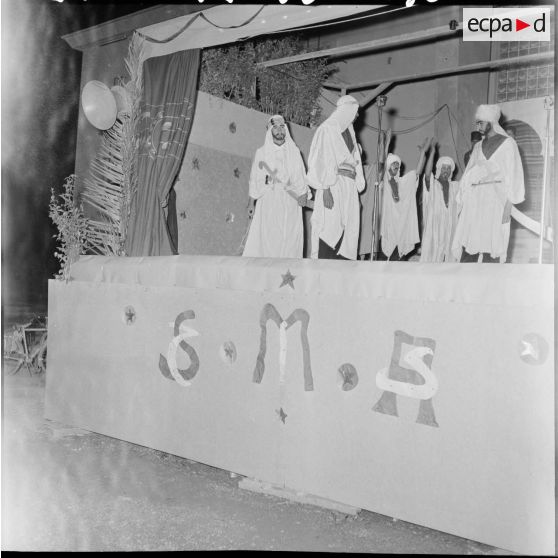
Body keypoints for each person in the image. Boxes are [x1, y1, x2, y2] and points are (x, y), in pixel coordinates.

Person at [452, 104, 525, 263]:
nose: (477, 126)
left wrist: (508, 205)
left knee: (492, 245)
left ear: (491, 121)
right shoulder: (478, 146)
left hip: (495, 201)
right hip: (476, 200)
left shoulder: (508, 144)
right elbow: (468, 174)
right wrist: (462, 201)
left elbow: (515, 175)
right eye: (477, 122)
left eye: (480, 122)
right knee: (470, 240)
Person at [306, 95, 365, 260]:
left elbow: (356, 163)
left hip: (349, 186)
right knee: (330, 227)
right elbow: (320, 159)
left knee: (349, 229)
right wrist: (325, 189)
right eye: (355, 112)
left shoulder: (350, 132)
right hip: (333, 184)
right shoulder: (327, 129)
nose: (358, 116)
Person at [242, 115, 310, 258]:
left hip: (290, 200)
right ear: (270, 131)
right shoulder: (261, 152)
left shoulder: (294, 151)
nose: (279, 130)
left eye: (282, 127)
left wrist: (303, 193)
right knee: (269, 238)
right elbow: (255, 178)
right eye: (276, 128)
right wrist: (251, 203)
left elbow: (301, 175)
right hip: (269, 200)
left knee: (289, 238)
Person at [379, 139, 430, 261]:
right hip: (388, 229)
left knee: (399, 263)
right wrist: (386, 146)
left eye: (398, 164)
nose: (396, 165)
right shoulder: (385, 182)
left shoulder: (403, 183)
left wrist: (423, 154)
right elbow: (382, 164)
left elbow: (417, 173)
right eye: (393, 163)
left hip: (401, 229)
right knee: (383, 263)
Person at [420, 152, 460, 263]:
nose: (446, 171)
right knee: (432, 255)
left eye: (448, 168)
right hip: (435, 227)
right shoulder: (433, 184)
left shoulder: (455, 187)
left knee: (449, 258)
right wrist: (432, 153)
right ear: (438, 169)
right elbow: (427, 175)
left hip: (450, 227)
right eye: (443, 168)